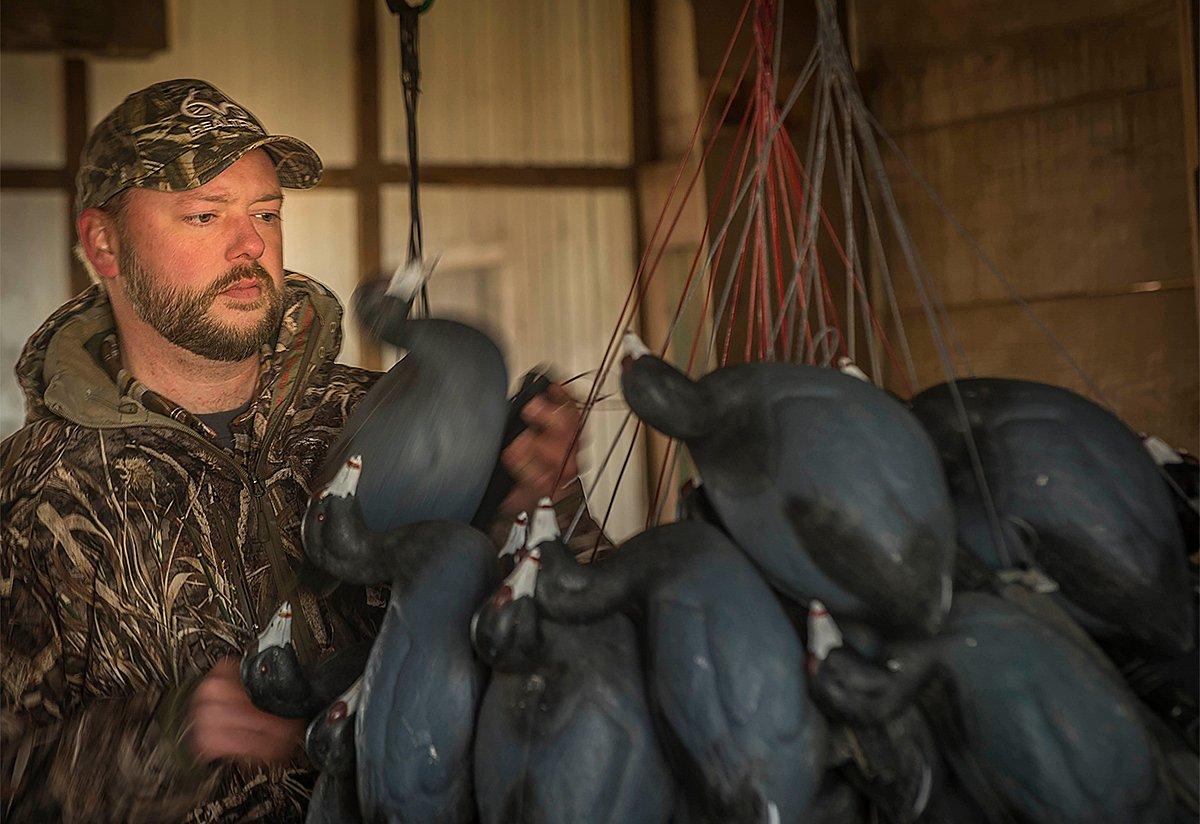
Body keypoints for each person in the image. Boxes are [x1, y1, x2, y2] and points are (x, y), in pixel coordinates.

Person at [0, 78, 599, 822]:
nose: (251, 243)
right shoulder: (28, 497)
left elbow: (566, 634)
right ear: (105, 244)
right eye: (204, 214)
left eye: (266, 212)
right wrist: (159, 742)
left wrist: (545, 503)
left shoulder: (384, 415)